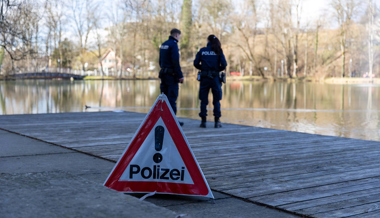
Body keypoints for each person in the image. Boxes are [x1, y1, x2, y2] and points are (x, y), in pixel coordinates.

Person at [194, 35, 227, 128]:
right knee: (216, 100)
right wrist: (217, 70)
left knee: (203, 100)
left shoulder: (202, 50)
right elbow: (224, 64)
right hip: (215, 78)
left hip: (204, 78)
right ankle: (217, 122)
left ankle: (203, 122)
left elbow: (195, 63)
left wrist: (203, 69)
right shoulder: (218, 50)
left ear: (208, 40)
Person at [159, 28, 184, 126]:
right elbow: (175, 62)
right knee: (172, 98)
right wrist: (180, 75)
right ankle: (172, 121)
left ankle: (163, 119)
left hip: (163, 74)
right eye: (179, 36)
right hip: (171, 76)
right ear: (177, 35)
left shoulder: (164, 44)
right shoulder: (173, 45)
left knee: (163, 98)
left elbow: (160, 60)